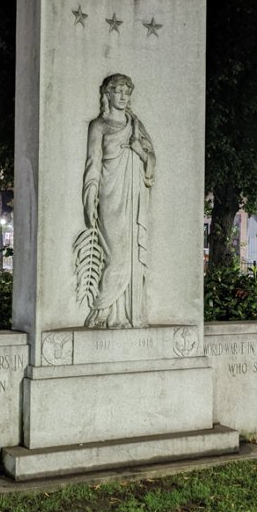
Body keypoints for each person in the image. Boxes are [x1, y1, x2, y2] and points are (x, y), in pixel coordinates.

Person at [79, 73, 155, 328]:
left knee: (131, 255)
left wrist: (138, 150)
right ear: (107, 94)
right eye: (119, 91)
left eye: (127, 92)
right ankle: (101, 310)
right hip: (109, 196)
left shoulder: (135, 124)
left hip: (134, 196)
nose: (124, 96)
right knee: (116, 256)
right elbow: (93, 165)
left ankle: (124, 315)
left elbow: (150, 160)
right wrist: (90, 199)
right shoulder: (98, 126)